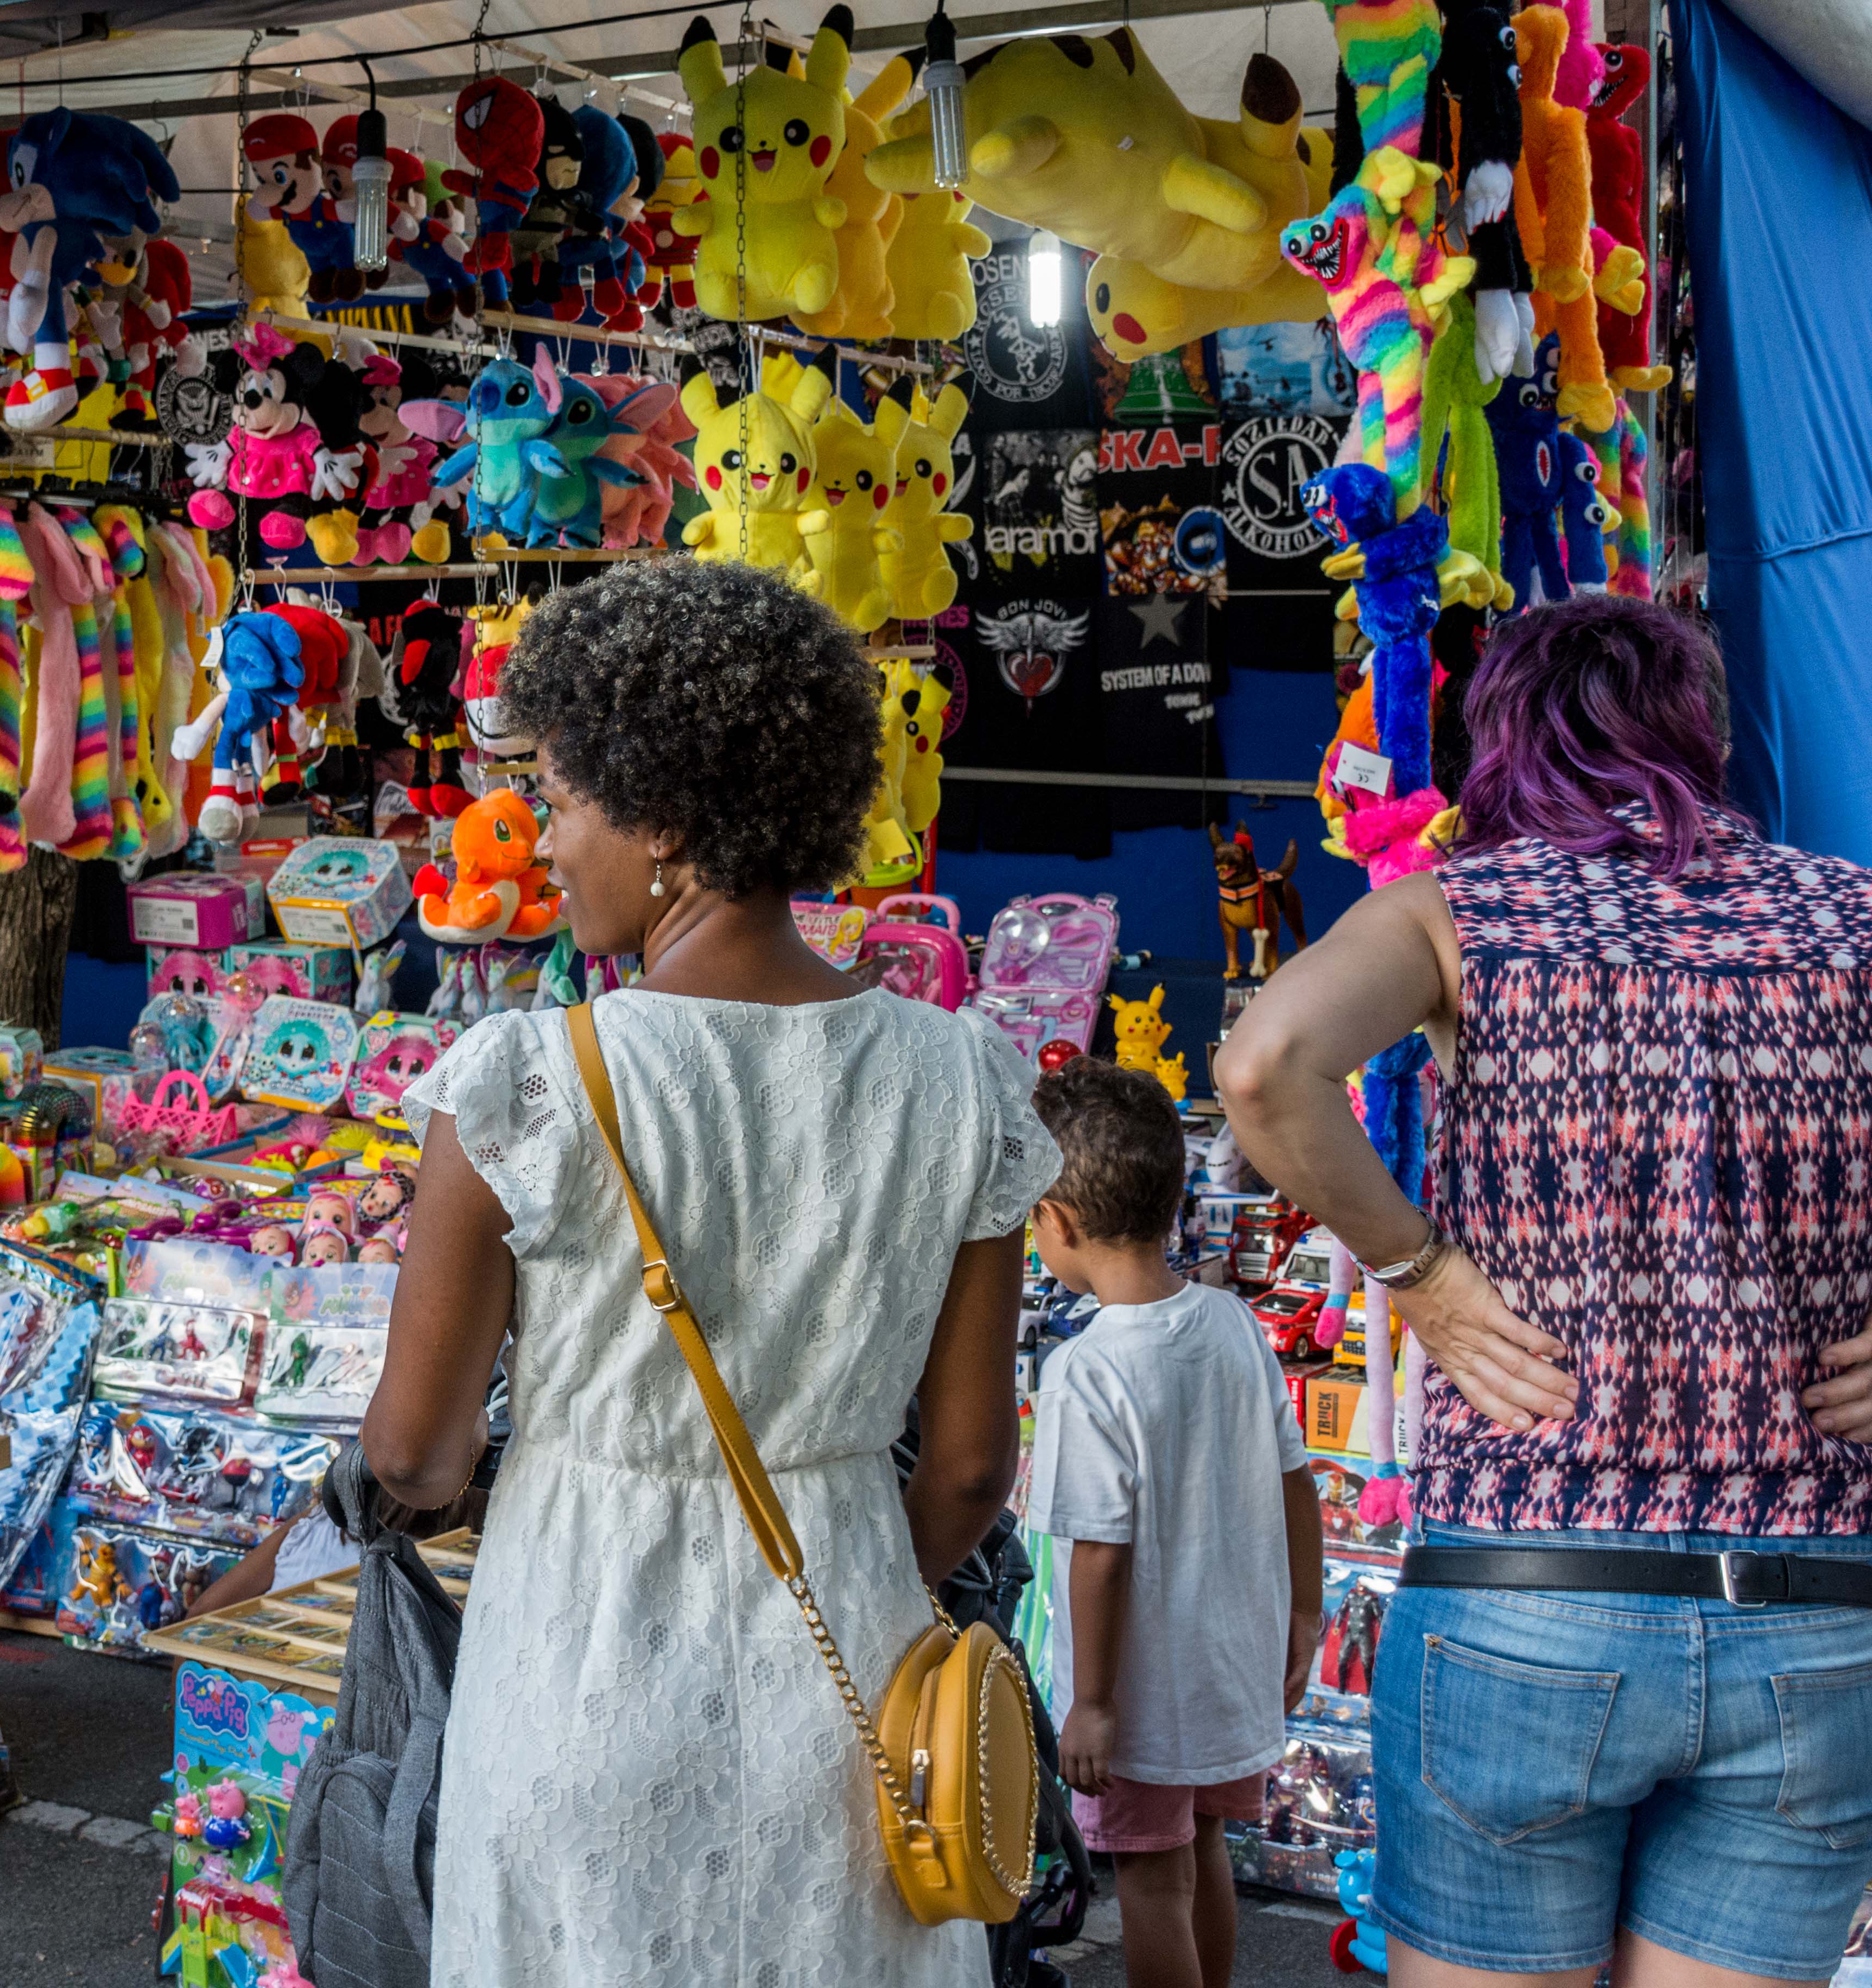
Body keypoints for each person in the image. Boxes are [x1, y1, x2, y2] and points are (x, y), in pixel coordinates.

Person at [357, 558, 1054, 1986]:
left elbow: (415, 1452)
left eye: (559, 801)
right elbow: (976, 1467)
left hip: (577, 1658)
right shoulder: (964, 1081)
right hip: (855, 1681)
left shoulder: (528, 1087)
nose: (544, 847)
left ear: (662, 818)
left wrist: (462, 1479)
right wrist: (843, 1561)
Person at [1220, 594, 1872, 1988]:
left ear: (1503, 740)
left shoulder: (1465, 911)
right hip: (1818, 1613)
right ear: (1699, 735)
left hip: (1528, 1596)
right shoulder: (1849, 914)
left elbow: (1266, 1064)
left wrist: (1424, 1276)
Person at [1023, 1058, 1323, 1988]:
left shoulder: (1085, 1372)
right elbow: (1296, 1479)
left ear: (1057, 1223)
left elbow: (1100, 1554)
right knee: (1202, 1855)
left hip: (1144, 1695)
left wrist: (1096, 1704)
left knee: (1151, 1882)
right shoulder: (1234, 1323)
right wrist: (1304, 1616)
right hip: (1234, 1665)